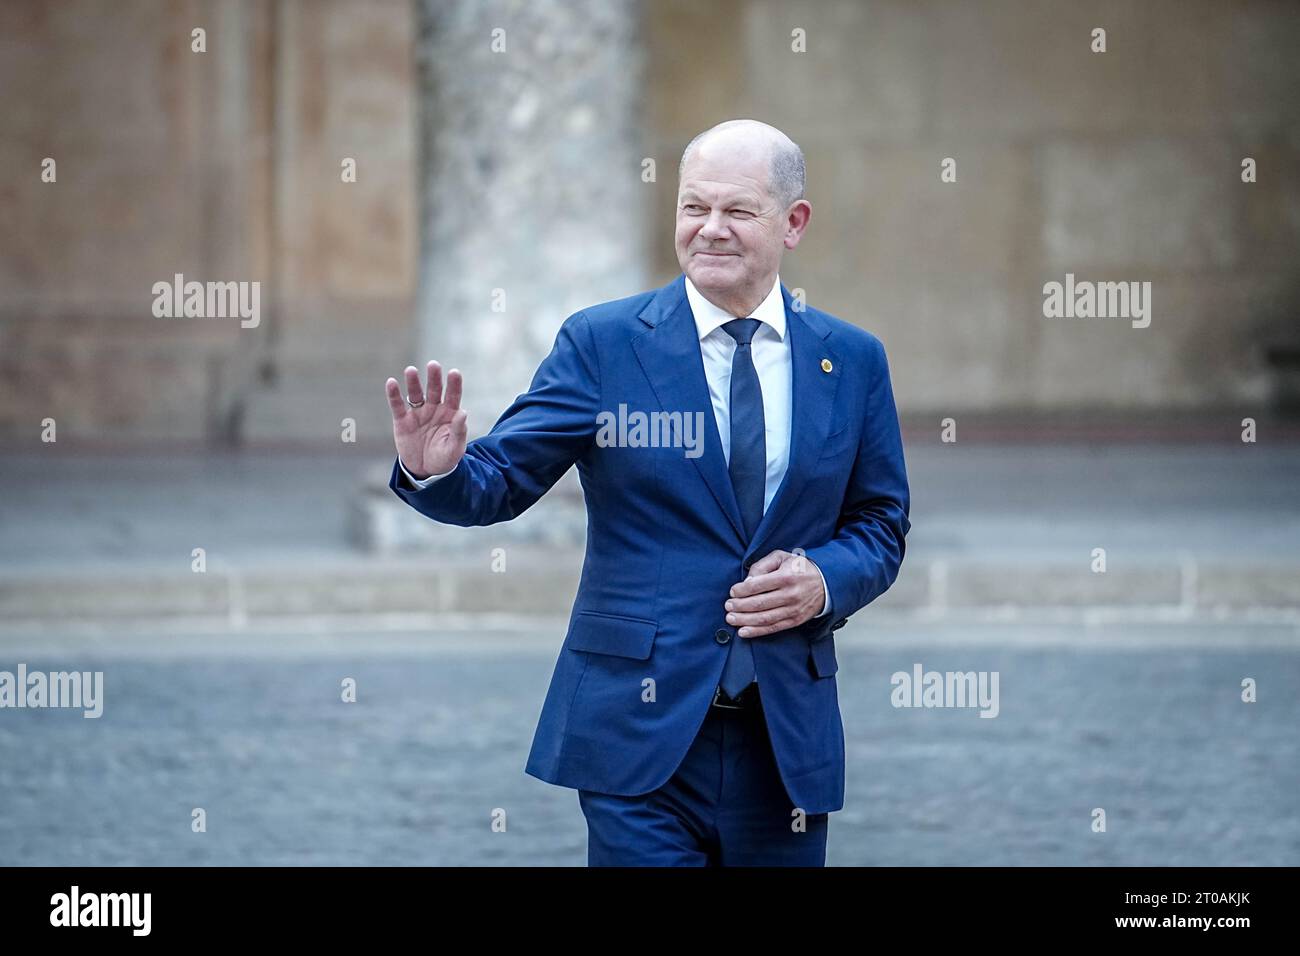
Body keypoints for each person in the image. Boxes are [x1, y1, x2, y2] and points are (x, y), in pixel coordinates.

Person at [384, 119, 910, 866]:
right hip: (636, 731)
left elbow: (881, 523)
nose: (711, 230)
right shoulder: (604, 344)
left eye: (738, 212)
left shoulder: (852, 360)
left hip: (783, 734)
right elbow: (499, 483)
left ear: (793, 223)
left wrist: (826, 579)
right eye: (694, 207)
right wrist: (437, 469)